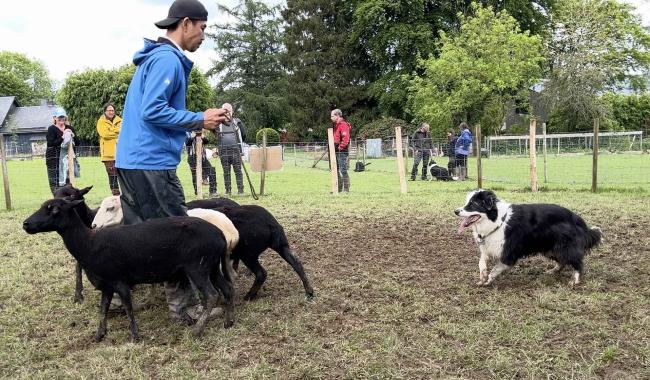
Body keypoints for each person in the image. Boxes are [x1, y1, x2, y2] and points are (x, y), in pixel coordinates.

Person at [115, 0, 228, 324]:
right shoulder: (167, 60)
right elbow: (153, 110)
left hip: (131, 158)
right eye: (203, 28)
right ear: (187, 23)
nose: (204, 36)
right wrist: (198, 119)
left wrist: (201, 118)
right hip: (151, 162)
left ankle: (123, 296)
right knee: (180, 234)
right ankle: (185, 311)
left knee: (136, 234)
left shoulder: (153, 58)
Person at [45, 108, 79, 195]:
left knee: (68, 179)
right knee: (55, 180)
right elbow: (51, 144)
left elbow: (78, 143)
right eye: (59, 117)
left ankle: (68, 198)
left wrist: (72, 135)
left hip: (67, 159)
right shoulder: (51, 129)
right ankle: (57, 198)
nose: (61, 119)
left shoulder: (70, 128)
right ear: (55, 118)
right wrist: (63, 136)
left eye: (63, 117)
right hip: (54, 159)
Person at [214, 102, 245, 195]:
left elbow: (244, 135)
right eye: (225, 111)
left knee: (238, 171)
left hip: (236, 151)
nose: (227, 113)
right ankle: (228, 191)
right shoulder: (218, 124)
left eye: (228, 111)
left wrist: (239, 146)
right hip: (223, 152)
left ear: (232, 111)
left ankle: (240, 191)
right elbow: (215, 136)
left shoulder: (237, 122)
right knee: (226, 172)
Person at [96, 103, 122, 195]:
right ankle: (115, 195)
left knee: (123, 175)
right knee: (112, 175)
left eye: (112, 110)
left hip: (121, 153)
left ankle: (126, 195)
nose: (111, 112)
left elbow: (124, 132)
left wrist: (111, 130)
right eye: (109, 110)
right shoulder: (101, 122)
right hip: (108, 154)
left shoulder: (120, 120)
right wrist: (116, 131)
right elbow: (104, 134)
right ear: (105, 111)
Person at [186, 130, 217, 197]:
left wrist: (203, 137)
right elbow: (187, 143)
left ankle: (213, 191)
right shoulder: (187, 133)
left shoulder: (200, 132)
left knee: (212, 171)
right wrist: (192, 137)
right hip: (192, 157)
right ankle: (197, 192)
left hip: (203, 157)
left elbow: (206, 141)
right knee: (195, 175)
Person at [330, 109, 351, 192]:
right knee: (336, 169)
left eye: (332, 116)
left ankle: (346, 189)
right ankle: (338, 189)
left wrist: (340, 147)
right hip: (336, 150)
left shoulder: (343, 125)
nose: (331, 118)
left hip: (341, 151)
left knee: (343, 169)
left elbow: (346, 139)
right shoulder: (337, 125)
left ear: (337, 115)